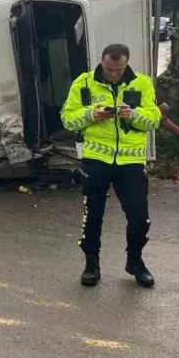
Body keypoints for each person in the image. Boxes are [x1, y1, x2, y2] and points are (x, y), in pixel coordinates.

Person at [61, 44, 162, 288]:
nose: (114, 74)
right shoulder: (84, 83)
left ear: (126, 63)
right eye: (109, 69)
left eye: (118, 69)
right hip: (96, 160)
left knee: (140, 218)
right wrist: (91, 115)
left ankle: (135, 262)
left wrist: (133, 115)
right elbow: (67, 119)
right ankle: (91, 265)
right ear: (102, 62)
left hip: (131, 162)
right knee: (93, 215)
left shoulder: (142, 83)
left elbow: (155, 120)